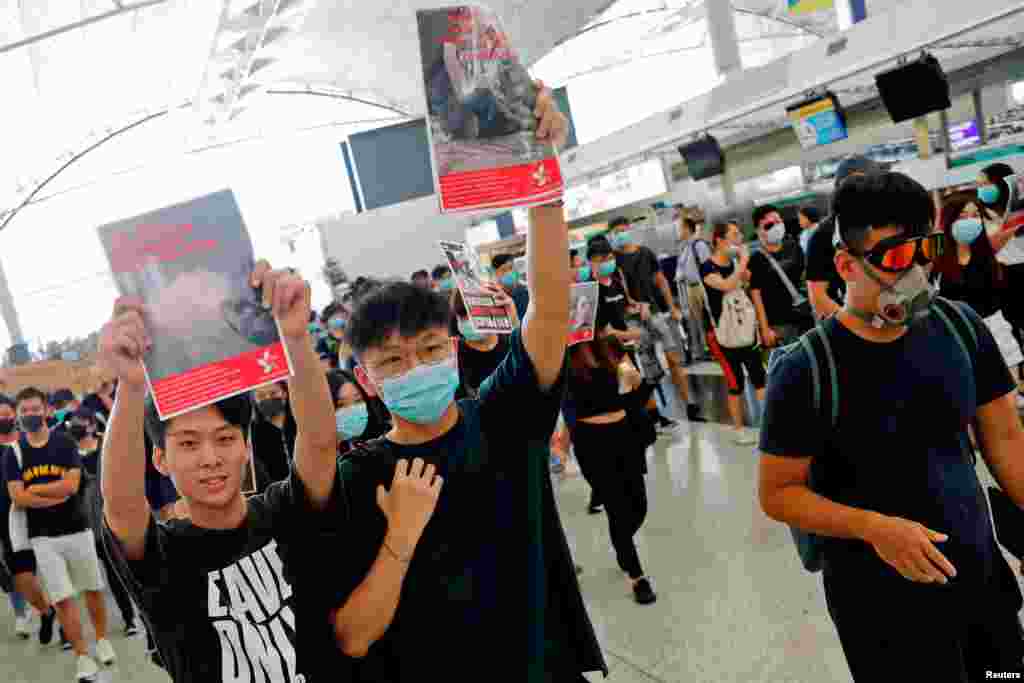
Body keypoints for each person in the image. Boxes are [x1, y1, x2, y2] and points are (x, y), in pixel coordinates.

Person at [302, 95, 603, 681]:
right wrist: (401, 537)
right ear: (364, 378)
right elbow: (352, 638)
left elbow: (546, 309)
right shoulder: (358, 478)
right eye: (393, 360)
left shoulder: (501, 416)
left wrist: (542, 179)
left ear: (455, 347)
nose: (416, 368)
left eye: (432, 350)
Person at [759, 172, 1024, 682]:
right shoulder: (807, 369)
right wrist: (874, 527)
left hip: (981, 585)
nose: (916, 271)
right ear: (845, 265)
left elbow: (1006, 440)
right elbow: (778, 493)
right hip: (882, 610)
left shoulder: (960, 326)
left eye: (924, 250)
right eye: (896, 258)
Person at [97, 263, 350, 683]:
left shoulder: (285, 513)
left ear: (246, 449)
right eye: (189, 444)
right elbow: (121, 503)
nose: (209, 457)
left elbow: (320, 442)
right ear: (160, 461)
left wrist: (295, 339)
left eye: (225, 439)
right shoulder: (162, 557)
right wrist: (130, 387)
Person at [5, 386, 116, 681]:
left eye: (34, 408)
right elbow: (18, 497)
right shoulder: (14, 453)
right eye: (24, 410)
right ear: (18, 415)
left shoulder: (65, 442)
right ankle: (82, 657)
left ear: (46, 410)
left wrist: (37, 490)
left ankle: (102, 639)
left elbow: (72, 485)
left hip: (77, 528)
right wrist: (53, 494)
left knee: (92, 588)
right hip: (42, 537)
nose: (30, 414)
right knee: (63, 599)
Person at [566, 336, 656, 605]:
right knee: (617, 509)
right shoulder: (561, 357)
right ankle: (637, 576)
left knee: (638, 506)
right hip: (592, 443)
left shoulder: (607, 347)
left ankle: (622, 544)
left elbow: (635, 399)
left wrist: (635, 381)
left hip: (624, 435)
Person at [607, 216, 705, 423]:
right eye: (616, 232)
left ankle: (690, 405)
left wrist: (671, 307)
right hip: (631, 319)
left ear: (630, 229)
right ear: (611, 235)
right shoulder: (612, 260)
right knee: (648, 366)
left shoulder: (645, 253)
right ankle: (653, 412)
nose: (621, 234)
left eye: (624, 229)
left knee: (674, 358)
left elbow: (660, 281)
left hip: (655, 312)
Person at [933, 192, 1023, 404]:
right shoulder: (935, 263)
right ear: (949, 220)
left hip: (998, 335)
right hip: (958, 339)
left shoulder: (992, 255)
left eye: (975, 216)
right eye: (963, 216)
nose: (970, 221)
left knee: (1008, 402)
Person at [67, 407, 139, 638]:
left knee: (115, 572)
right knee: (81, 580)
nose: (76, 426)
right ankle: (68, 629)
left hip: (108, 519)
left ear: (90, 424)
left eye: (80, 422)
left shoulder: (106, 446)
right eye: (73, 423)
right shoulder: (69, 453)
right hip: (82, 522)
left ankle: (129, 619)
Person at [699, 222, 765, 445]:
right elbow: (726, 285)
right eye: (734, 235)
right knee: (735, 382)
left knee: (759, 377)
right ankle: (738, 429)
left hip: (745, 329)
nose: (739, 239)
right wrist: (744, 261)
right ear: (719, 240)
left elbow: (745, 280)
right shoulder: (707, 268)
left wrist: (743, 267)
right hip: (722, 335)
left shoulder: (736, 262)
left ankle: (768, 423)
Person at [0, 394, 57, 644]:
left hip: (42, 516)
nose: (4, 419)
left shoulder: (31, 442)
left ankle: (68, 630)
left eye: (7, 414)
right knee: (24, 580)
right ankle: (46, 611)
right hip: (9, 524)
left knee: (56, 573)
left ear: (15, 415)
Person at [805, 155, 883, 320]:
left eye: (864, 184)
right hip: (848, 325)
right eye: (849, 186)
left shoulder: (887, 223)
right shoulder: (823, 236)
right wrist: (861, 324)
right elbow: (818, 296)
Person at [978, 162, 1024, 380]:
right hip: (1003, 276)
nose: (981, 189)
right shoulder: (979, 216)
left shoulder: (1018, 207)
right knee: (1012, 328)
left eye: (984, 184)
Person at [749, 204, 810, 349]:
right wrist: (764, 329)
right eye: (770, 224)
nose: (776, 226)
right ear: (759, 230)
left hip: (805, 317)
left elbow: (807, 276)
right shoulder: (757, 259)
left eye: (778, 221)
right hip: (779, 325)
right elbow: (756, 296)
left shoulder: (793, 246)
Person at [451, 287, 514, 400]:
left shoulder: (510, 341)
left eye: (473, 314)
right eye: (462, 317)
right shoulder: (454, 354)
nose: (468, 322)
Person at [327, 370, 390, 456]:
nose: (352, 409)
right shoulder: (322, 456)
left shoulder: (383, 442)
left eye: (358, 400)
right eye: (341, 405)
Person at [250, 380, 298, 491]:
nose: (268, 398)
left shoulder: (299, 420)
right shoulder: (253, 432)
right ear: (255, 400)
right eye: (261, 396)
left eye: (273, 393)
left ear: (285, 394)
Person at [675, 216, 711, 362]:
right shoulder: (684, 248)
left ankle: (713, 347)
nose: (678, 231)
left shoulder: (699, 245)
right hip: (690, 289)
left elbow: (707, 266)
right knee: (698, 322)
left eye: (680, 228)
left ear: (687, 229)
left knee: (707, 319)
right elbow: (681, 268)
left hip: (701, 287)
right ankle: (705, 349)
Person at [492, 253, 530, 319]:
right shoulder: (496, 294)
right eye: (504, 270)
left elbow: (525, 326)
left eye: (511, 268)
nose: (509, 273)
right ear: (496, 273)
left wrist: (511, 304)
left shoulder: (523, 293)